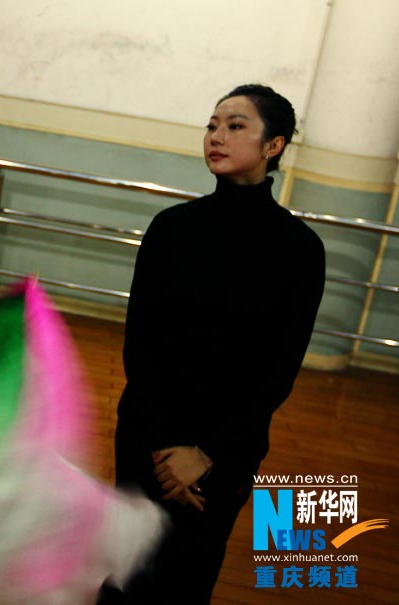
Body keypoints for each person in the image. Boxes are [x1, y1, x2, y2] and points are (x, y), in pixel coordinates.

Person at [99, 84, 325, 604]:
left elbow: (277, 370)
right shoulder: (171, 228)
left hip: (226, 448)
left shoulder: (300, 250)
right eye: (212, 125)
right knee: (124, 570)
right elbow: (142, 345)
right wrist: (163, 448)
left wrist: (205, 453)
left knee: (187, 574)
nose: (216, 137)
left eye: (235, 125)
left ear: (274, 146)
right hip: (146, 433)